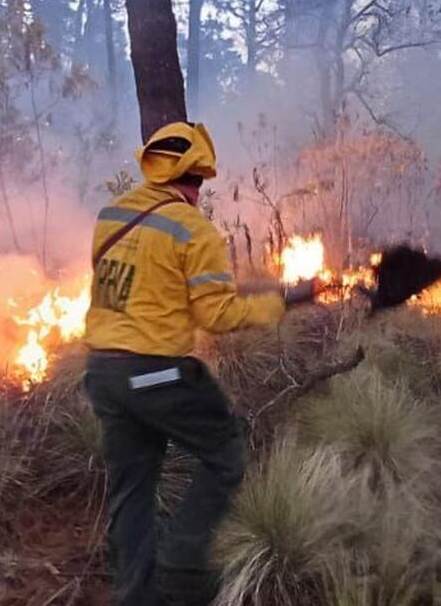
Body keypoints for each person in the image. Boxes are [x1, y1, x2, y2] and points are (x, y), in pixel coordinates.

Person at [82, 121, 317, 605]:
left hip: (103, 373)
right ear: (188, 178)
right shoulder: (193, 229)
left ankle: (137, 596)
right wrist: (281, 303)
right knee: (225, 452)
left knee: (132, 488)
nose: (198, 192)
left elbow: (147, 288)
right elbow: (218, 314)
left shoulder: (111, 215)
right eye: (198, 181)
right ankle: (184, 564)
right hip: (157, 373)